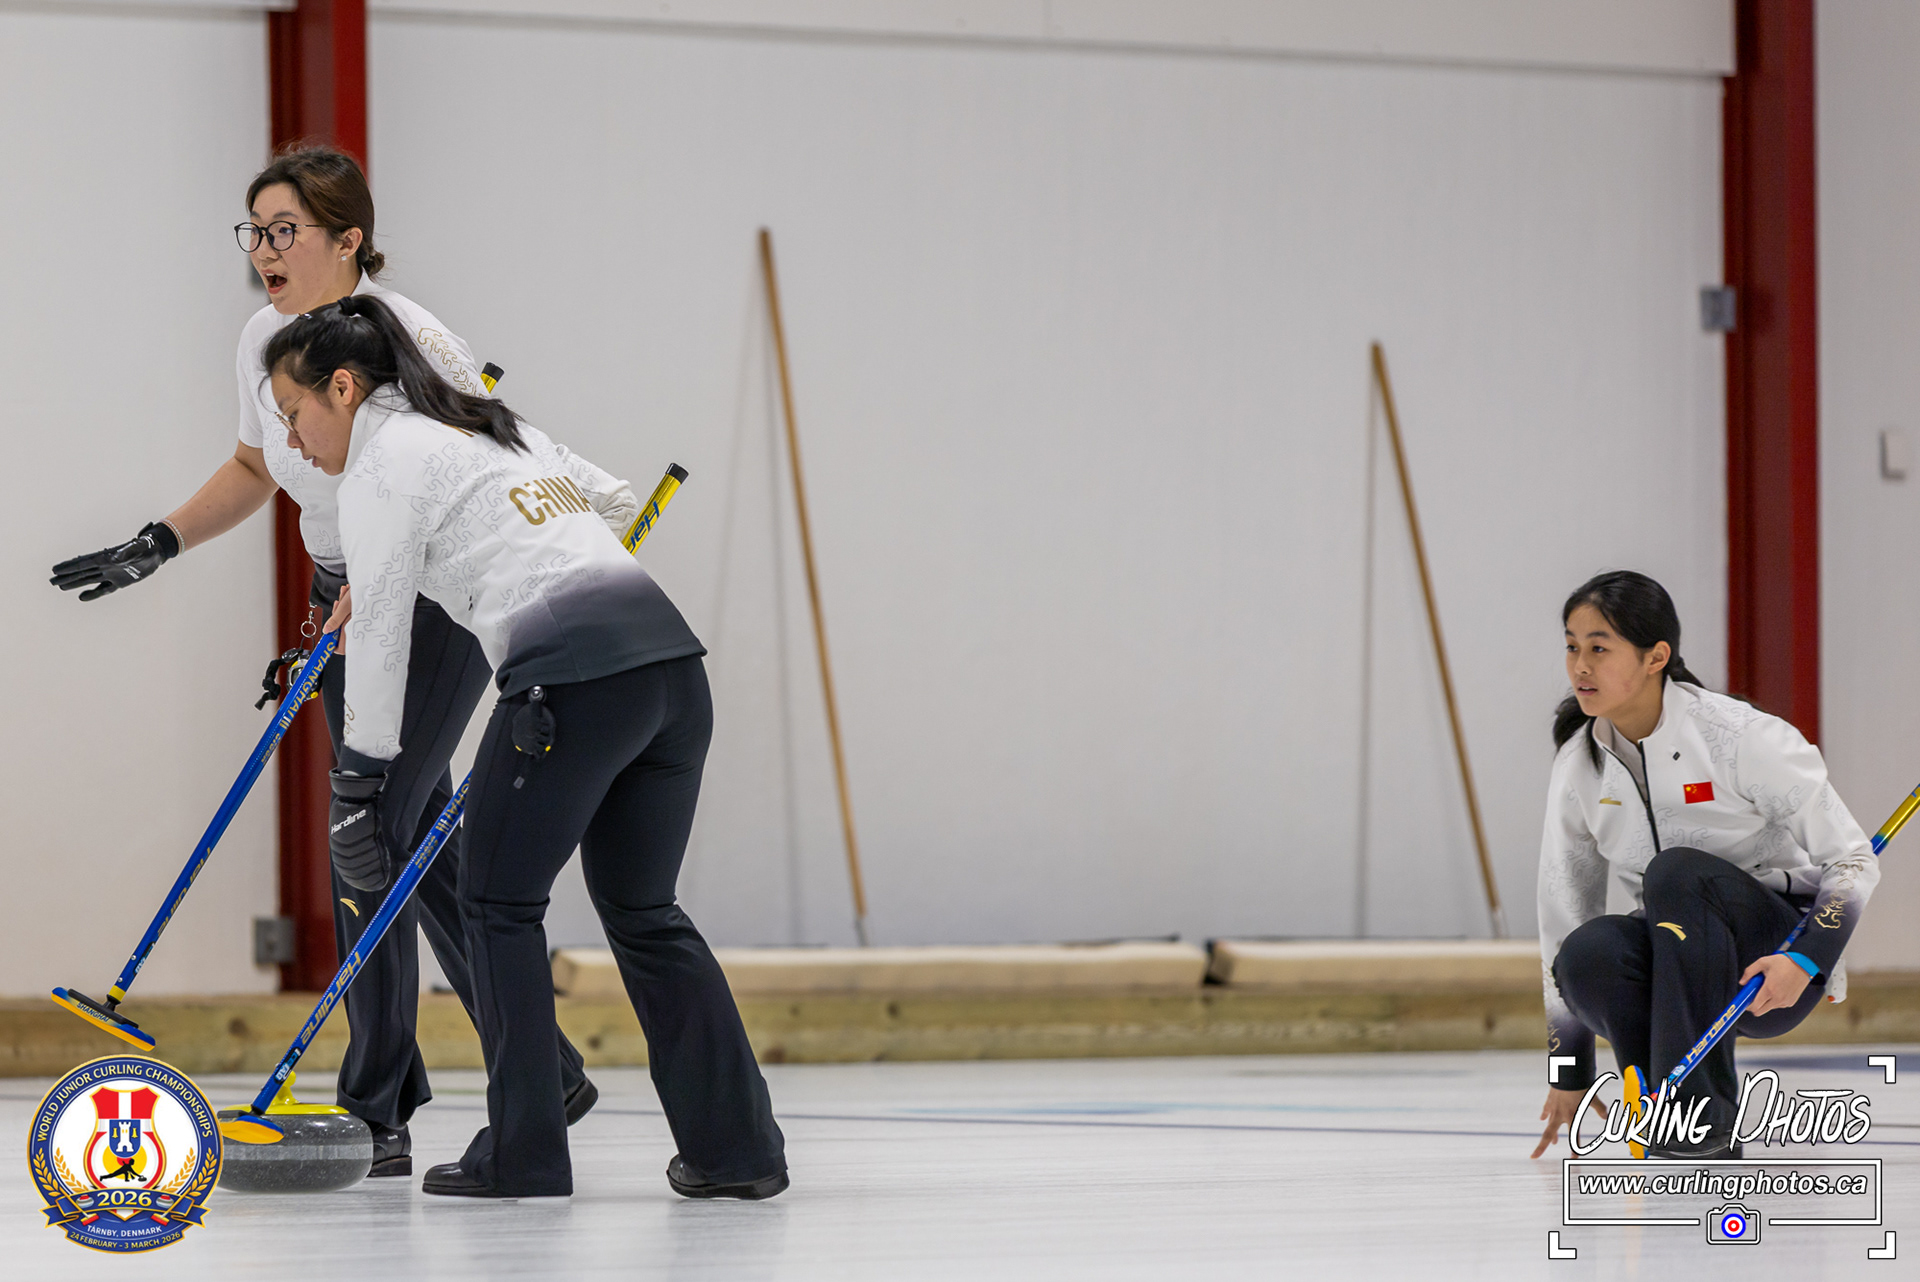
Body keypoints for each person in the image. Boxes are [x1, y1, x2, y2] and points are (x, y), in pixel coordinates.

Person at [48, 145, 604, 1175]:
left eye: (284, 230)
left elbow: (487, 454)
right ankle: (543, 1067)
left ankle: (375, 1106)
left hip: (426, 597)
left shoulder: (412, 337)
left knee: (370, 829)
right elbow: (258, 465)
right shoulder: (263, 339)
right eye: (254, 230)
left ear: (348, 240)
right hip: (340, 593)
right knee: (402, 835)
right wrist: (159, 541)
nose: (263, 249)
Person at [262, 292, 787, 1199]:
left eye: (293, 413)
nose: (293, 441)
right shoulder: (488, 422)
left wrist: (359, 783)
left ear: (342, 388)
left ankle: (525, 1153)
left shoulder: (381, 469)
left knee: (497, 905)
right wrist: (513, 570)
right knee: (645, 911)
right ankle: (739, 1154)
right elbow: (614, 500)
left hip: (567, 687)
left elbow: (379, 638)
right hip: (670, 670)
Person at [1531, 571, 1881, 1160]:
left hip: (1774, 955)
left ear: (1655, 657)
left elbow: (1852, 860)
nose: (1580, 667)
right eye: (1571, 647)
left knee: (1675, 873)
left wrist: (1806, 958)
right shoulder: (1579, 765)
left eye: (1599, 648)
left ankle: (1703, 1121)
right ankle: (1660, 1108)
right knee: (1586, 952)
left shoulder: (1742, 737)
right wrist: (1568, 1069)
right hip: (1677, 951)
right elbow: (1561, 910)